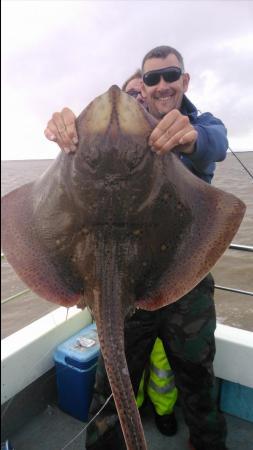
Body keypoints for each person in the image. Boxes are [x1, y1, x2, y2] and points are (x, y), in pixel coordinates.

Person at [44, 46, 229, 450]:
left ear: (185, 80)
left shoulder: (200, 124)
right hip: (120, 284)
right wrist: (66, 129)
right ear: (142, 91)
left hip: (188, 277)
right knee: (111, 384)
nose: (160, 85)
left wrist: (189, 136)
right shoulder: (124, 131)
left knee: (197, 375)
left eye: (170, 75)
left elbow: (215, 141)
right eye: (150, 80)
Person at [123, 69, 178, 437]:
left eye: (140, 95)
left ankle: (164, 410)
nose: (136, 100)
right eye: (131, 94)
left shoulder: (172, 132)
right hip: (123, 277)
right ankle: (134, 409)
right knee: (126, 359)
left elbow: (210, 138)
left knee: (164, 356)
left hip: (167, 272)